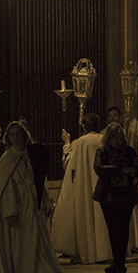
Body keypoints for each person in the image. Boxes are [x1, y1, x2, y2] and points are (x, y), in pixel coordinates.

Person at [0, 121, 61, 273]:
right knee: (22, 243)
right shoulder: (6, 160)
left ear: (26, 135)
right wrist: (10, 210)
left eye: (19, 134)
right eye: (12, 135)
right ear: (8, 138)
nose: (16, 138)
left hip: (33, 205)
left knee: (37, 240)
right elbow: (6, 187)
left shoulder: (30, 156)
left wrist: (45, 200)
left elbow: (38, 180)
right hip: (19, 207)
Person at [51, 113, 112, 264]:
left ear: (83, 127)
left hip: (83, 188)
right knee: (102, 216)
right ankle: (104, 251)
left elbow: (68, 165)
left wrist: (67, 143)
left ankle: (87, 251)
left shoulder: (79, 143)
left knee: (86, 215)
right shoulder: (104, 140)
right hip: (103, 185)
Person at [93, 122, 138, 273]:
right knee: (112, 229)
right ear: (109, 138)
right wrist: (120, 169)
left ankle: (120, 262)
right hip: (108, 195)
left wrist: (136, 177)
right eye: (115, 138)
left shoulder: (129, 151)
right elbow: (99, 168)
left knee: (123, 228)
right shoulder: (102, 151)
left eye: (120, 138)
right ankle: (116, 260)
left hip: (125, 194)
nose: (118, 141)